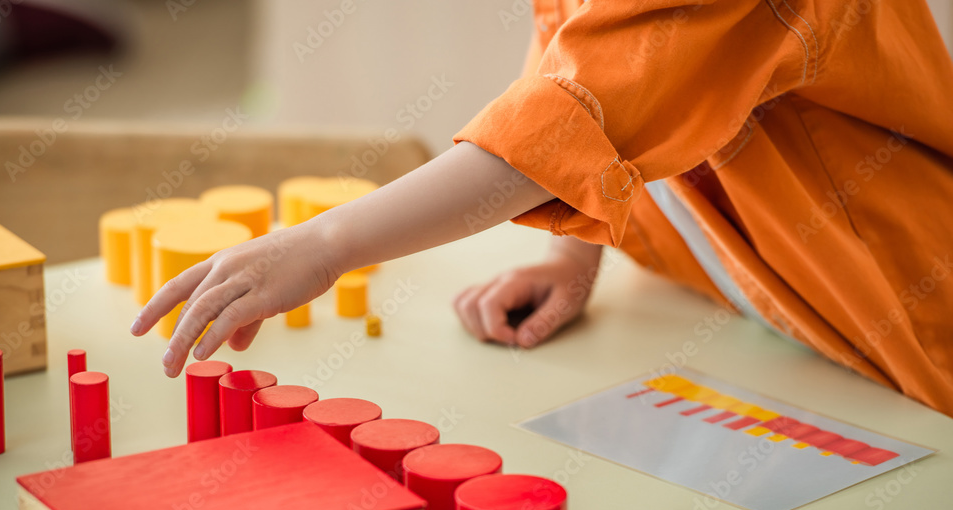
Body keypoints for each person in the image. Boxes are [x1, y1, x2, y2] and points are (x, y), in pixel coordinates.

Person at [132, 0, 953, 420]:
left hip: (902, 337)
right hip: (763, 317)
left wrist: (323, 244)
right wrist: (573, 251)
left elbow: (578, 114)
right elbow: (575, 60)